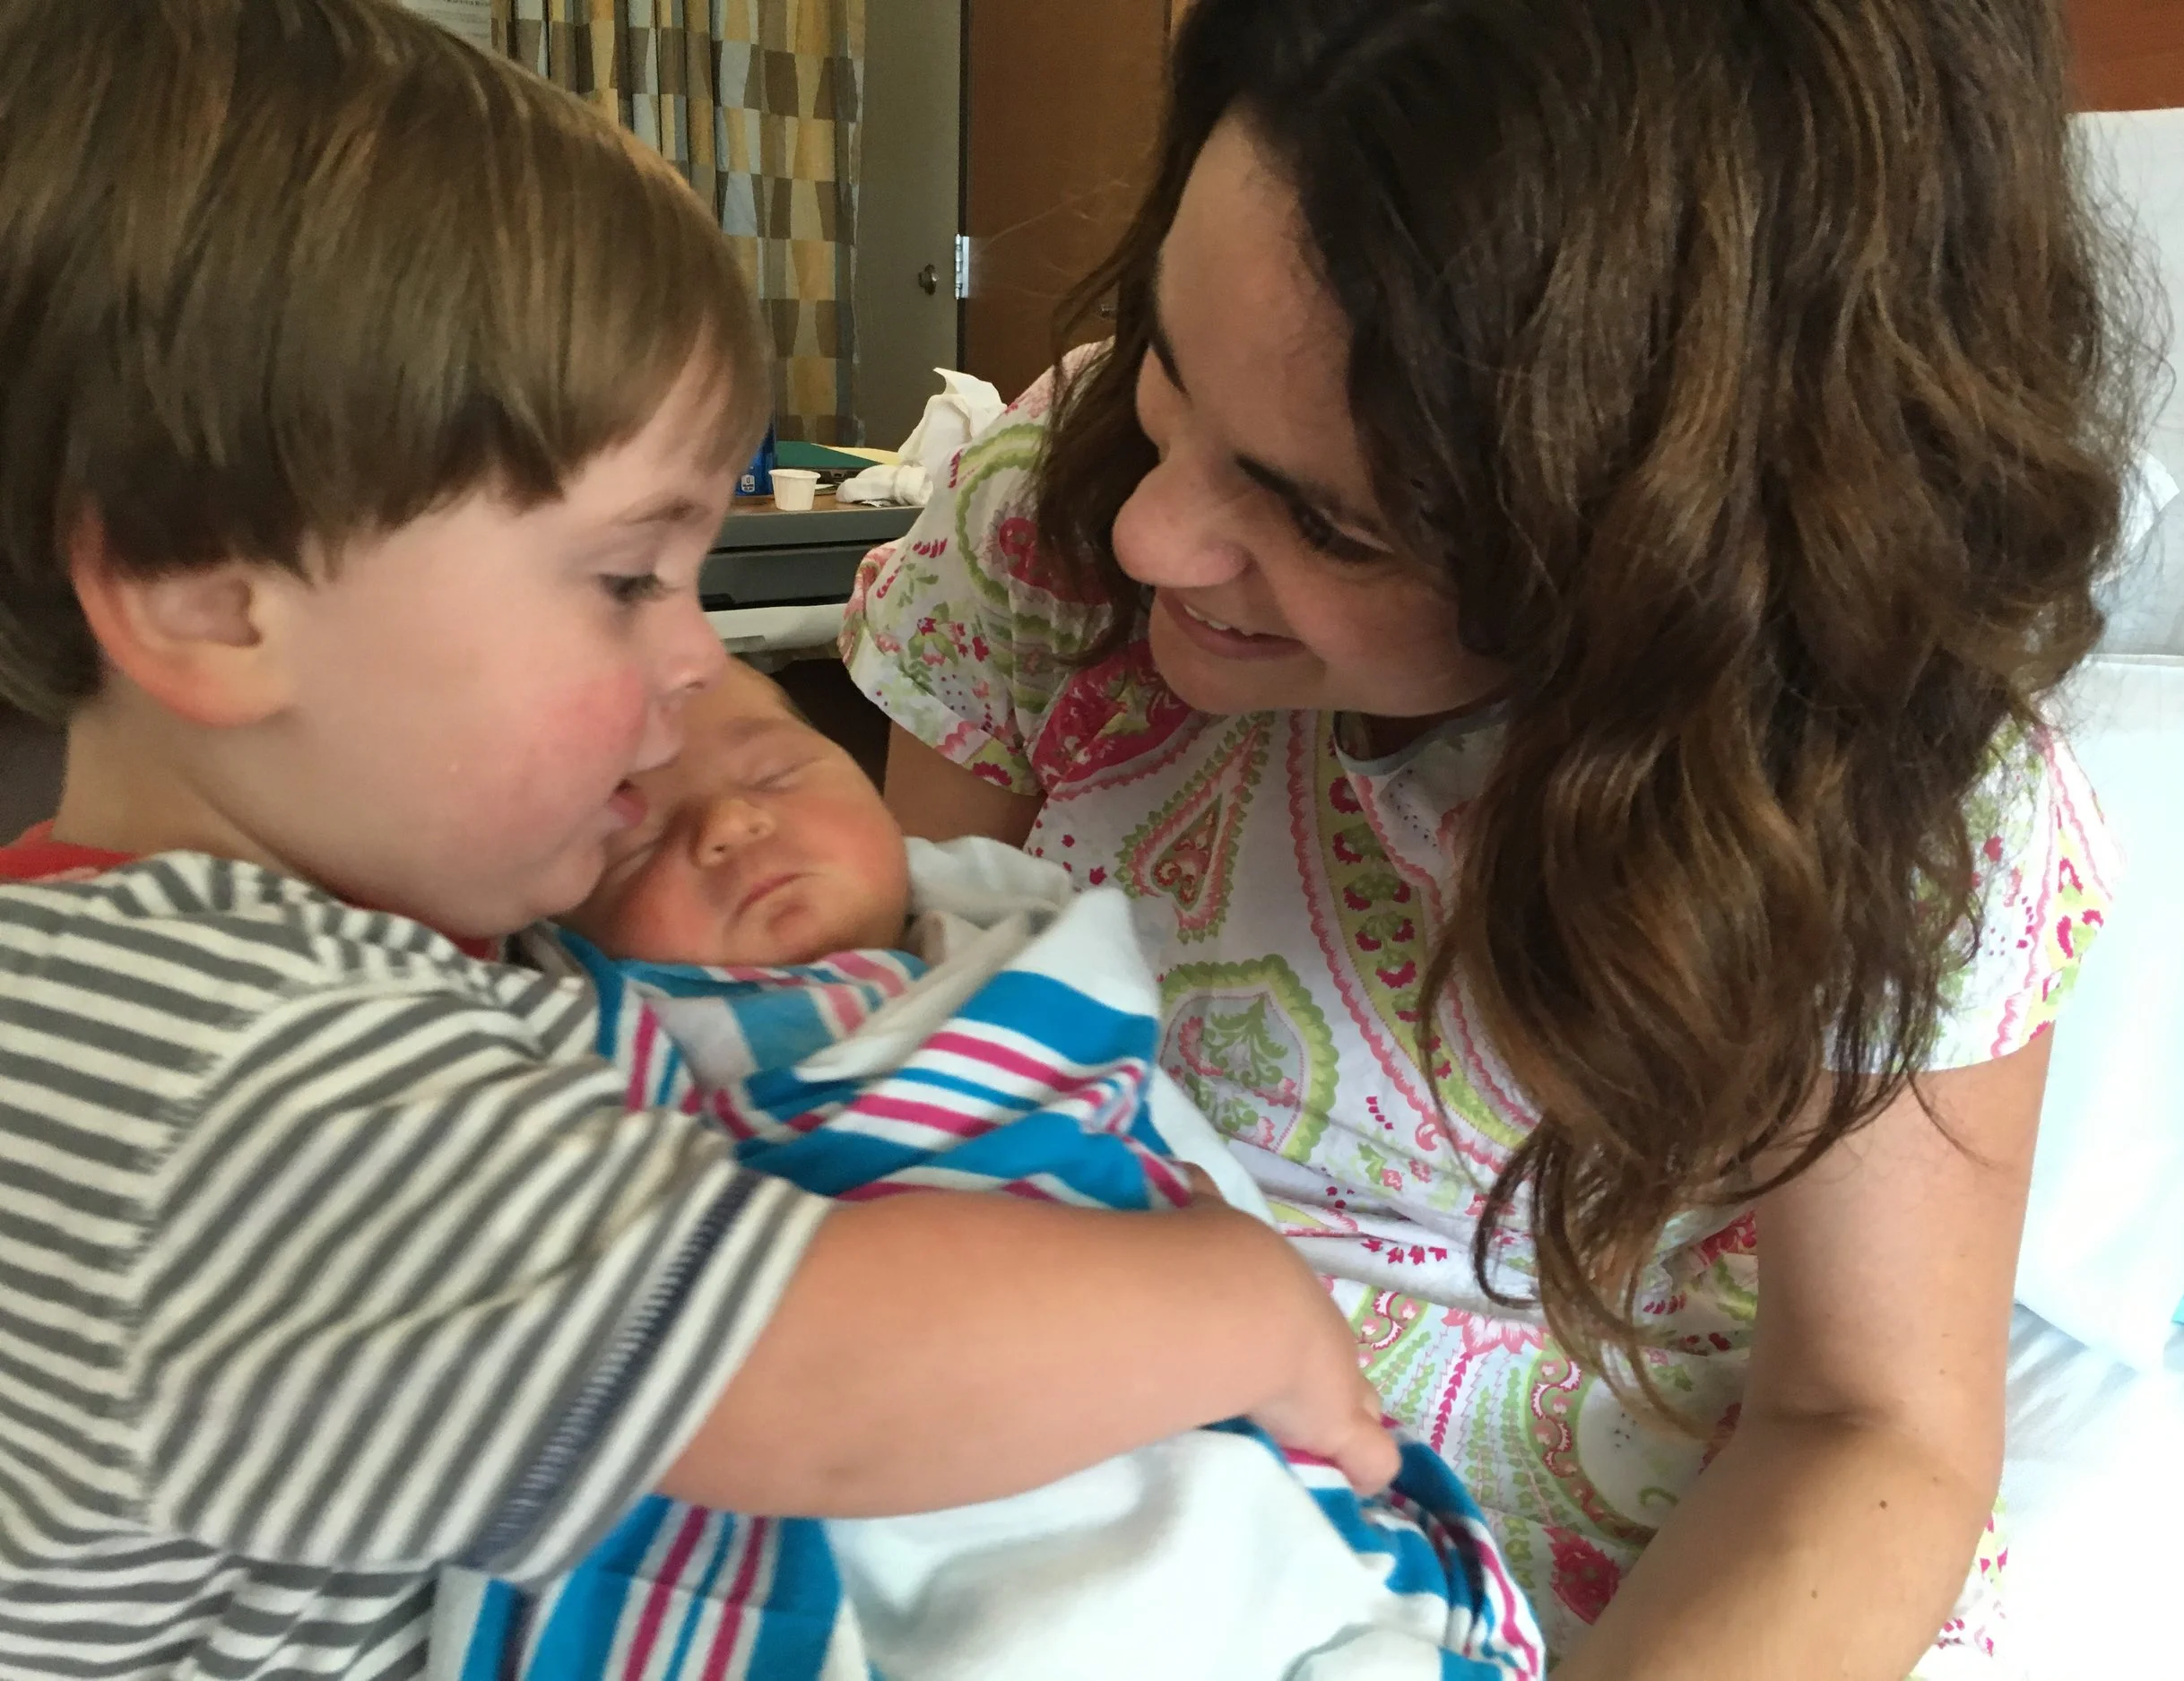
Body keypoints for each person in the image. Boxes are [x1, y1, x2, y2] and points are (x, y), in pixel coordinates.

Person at [0, 4, 1391, 1675]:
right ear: (207, 605)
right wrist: (1246, 1309)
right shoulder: (233, 1068)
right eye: (620, 580)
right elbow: (819, 1380)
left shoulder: (195, 965)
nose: (695, 663)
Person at [842, 0, 2151, 1675]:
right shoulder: (1052, 521)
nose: (1158, 535)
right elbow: (900, 1097)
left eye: (1325, 516)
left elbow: (1867, 1427)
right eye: (1174, 362)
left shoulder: (1901, 802)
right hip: (1094, 1482)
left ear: (1671, 567)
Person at [462, 654, 1544, 1679]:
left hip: (1160, 1379)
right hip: (872, 1438)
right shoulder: (587, 1031)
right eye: (637, 840)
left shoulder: (1022, 952)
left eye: (778, 770)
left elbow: (1168, 1161)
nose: (734, 823)